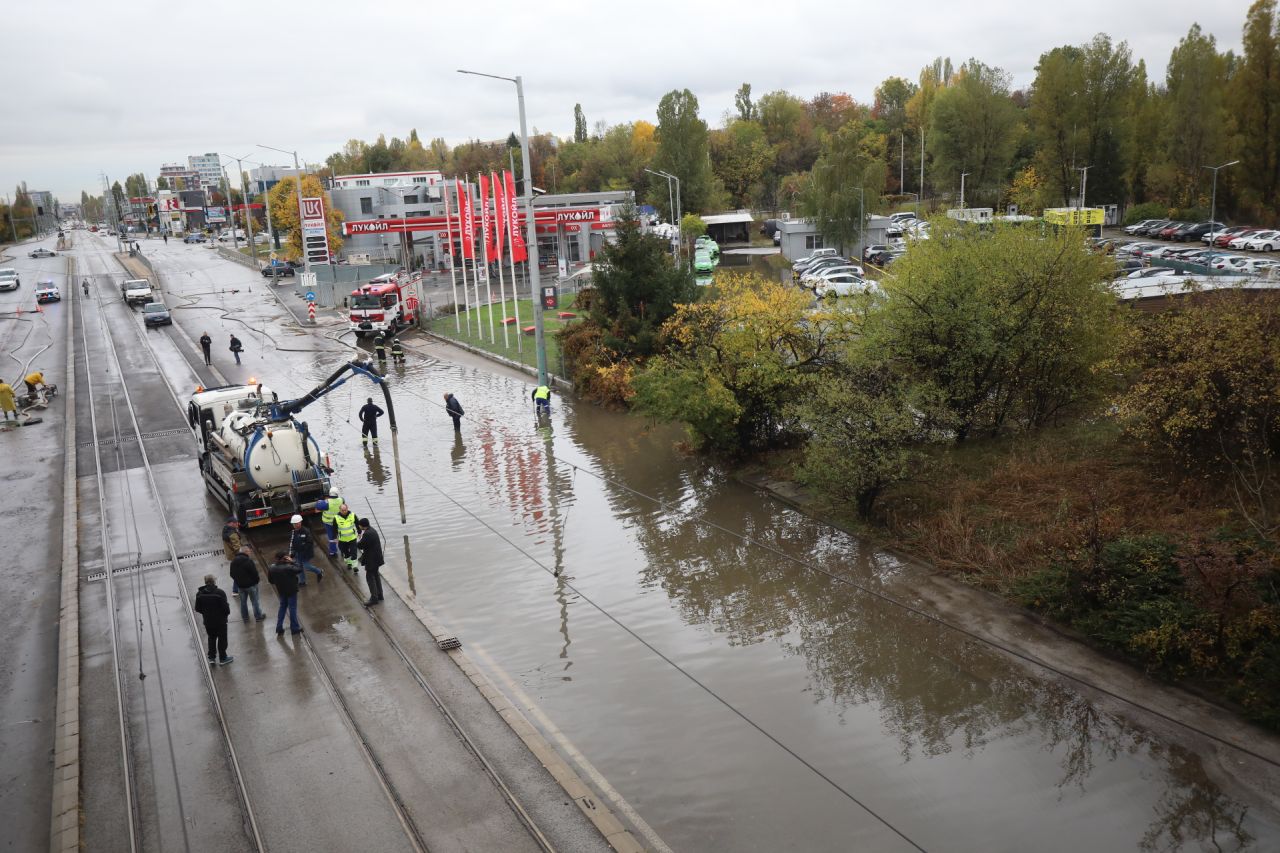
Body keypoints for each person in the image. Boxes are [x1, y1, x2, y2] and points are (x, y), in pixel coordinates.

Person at [193, 574, 234, 665]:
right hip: (220, 622)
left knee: (211, 638)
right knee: (222, 639)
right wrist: (224, 615)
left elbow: (197, 608)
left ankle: (212, 657)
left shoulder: (199, 594)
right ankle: (223, 658)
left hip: (208, 622)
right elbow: (226, 609)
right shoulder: (220, 593)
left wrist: (206, 613)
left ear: (205, 582)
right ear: (214, 581)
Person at [267, 552, 302, 635]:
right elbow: (299, 569)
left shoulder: (271, 567)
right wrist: (293, 561)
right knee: (292, 608)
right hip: (291, 591)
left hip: (281, 591)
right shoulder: (288, 567)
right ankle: (295, 628)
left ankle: (279, 627)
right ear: (284, 558)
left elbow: (271, 581)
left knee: (282, 607)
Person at [228, 547, 265, 621]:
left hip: (240, 586)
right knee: (255, 601)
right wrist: (256, 581)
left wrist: (238, 581)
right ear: (245, 552)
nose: (250, 553)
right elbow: (254, 573)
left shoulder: (233, 561)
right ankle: (258, 617)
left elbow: (231, 574)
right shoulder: (248, 561)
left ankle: (245, 618)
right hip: (251, 585)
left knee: (243, 602)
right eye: (249, 551)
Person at [289, 514, 323, 585]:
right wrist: (291, 552)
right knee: (299, 568)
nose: (295, 525)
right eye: (294, 524)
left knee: (307, 566)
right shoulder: (293, 532)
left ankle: (319, 572)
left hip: (305, 553)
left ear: (300, 522)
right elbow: (291, 543)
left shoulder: (306, 531)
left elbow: (309, 543)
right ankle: (302, 581)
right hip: (297, 553)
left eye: (296, 523)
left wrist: (304, 551)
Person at [358, 518, 384, 605]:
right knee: (376, 576)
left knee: (370, 578)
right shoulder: (372, 530)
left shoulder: (367, 534)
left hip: (371, 559)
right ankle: (380, 595)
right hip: (377, 558)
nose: (359, 526)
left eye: (359, 525)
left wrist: (358, 540)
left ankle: (374, 598)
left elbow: (361, 545)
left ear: (362, 526)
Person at [221, 517, 242, 597]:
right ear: (231, 523)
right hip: (236, 556)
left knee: (237, 572)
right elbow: (237, 547)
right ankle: (235, 590)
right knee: (238, 573)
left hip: (230, 555)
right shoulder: (232, 534)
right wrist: (242, 556)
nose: (237, 524)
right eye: (236, 523)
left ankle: (236, 589)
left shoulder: (225, 529)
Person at [334, 504, 359, 571]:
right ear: (340, 510)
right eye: (342, 510)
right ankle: (349, 563)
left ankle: (355, 566)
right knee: (346, 553)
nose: (344, 511)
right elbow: (334, 528)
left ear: (347, 509)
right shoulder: (336, 518)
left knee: (354, 552)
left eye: (345, 510)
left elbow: (357, 524)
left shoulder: (353, 515)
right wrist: (335, 537)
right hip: (342, 539)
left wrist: (359, 532)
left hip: (352, 538)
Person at [319, 487, 341, 557]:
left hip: (328, 523)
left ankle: (333, 552)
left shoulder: (326, 502)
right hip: (338, 522)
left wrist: (320, 501)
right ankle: (343, 550)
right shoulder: (341, 500)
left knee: (331, 538)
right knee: (339, 536)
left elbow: (318, 506)